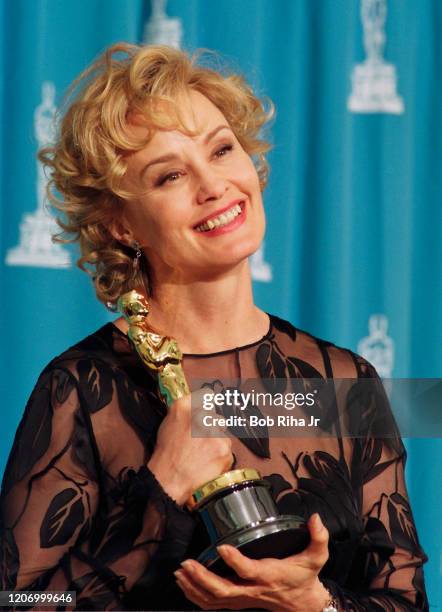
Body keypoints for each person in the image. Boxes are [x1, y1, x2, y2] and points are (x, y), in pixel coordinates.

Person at [0, 42, 428, 611]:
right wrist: (159, 491)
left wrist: (315, 605)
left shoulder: (344, 380)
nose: (214, 185)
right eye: (170, 175)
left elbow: (404, 600)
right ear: (120, 225)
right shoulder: (82, 389)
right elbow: (20, 603)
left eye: (222, 150)